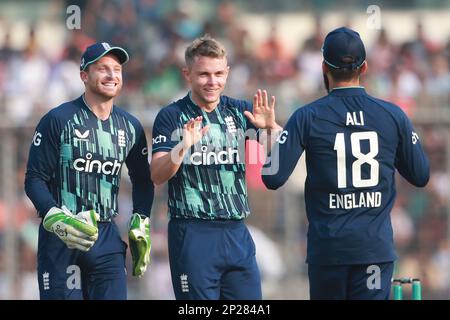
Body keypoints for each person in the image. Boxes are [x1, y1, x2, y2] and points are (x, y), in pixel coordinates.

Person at [262, 27, 430, 300]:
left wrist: (270, 134)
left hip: (328, 251)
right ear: (364, 67)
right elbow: (421, 174)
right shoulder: (392, 115)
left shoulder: (306, 116)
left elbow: (272, 176)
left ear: (323, 67)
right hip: (373, 249)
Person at [151, 34, 281, 300]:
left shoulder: (240, 111)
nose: (213, 82)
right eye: (204, 74)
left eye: (219, 73)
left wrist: (272, 130)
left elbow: (277, 161)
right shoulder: (171, 116)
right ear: (187, 74)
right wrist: (182, 148)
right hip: (193, 233)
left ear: (228, 72)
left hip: (236, 232)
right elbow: (157, 174)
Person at [24, 42, 154, 300]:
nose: (111, 75)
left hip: (106, 236)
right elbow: (34, 179)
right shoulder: (58, 119)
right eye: (102, 69)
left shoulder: (130, 126)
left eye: (116, 70)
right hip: (62, 236)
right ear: (84, 75)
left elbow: (142, 180)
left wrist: (141, 220)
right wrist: (53, 215)